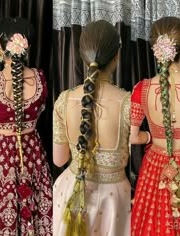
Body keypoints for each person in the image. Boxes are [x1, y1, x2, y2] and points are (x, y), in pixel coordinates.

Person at [130, 16, 180, 235]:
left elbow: (132, 137)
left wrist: (150, 137)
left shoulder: (142, 89)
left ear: (156, 50)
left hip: (155, 167)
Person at [52, 20, 131, 236]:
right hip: (113, 198)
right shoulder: (128, 103)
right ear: (116, 56)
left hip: (71, 193)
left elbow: (59, 160)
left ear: (83, 56)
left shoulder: (63, 100)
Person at [0, 17, 53, 235]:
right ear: (26, 46)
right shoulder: (40, 77)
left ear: (0, 46)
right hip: (31, 150)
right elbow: (40, 112)